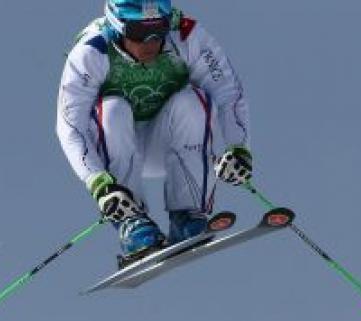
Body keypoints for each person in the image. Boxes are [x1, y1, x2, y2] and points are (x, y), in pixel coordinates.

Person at [56, 0, 253, 265]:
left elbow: (228, 94)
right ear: (118, 26)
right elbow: (70, 127)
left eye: (157, 30)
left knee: (193, 102)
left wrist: (238, 149)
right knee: (113, 109)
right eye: (138, 32)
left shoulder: (188, 36)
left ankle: (187, 214)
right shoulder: (92, 52)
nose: (149, 42)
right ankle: (133, 223)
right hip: (115, 153)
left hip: (168, 144)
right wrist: (100, 186)